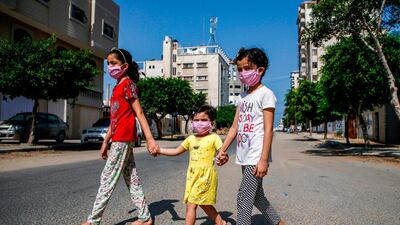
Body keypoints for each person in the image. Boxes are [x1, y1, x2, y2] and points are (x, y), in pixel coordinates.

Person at [81, 48, 158, 225]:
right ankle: (145, 217)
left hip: (124, 138)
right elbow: (114, 120)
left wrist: (150, 139)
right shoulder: (117, 88)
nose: (110, 67)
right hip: (118, 138)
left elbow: (139, 112)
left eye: (113, 63)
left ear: (124, 66)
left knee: (107, 178)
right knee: (131, 177)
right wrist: (105, 141)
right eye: (108, 63)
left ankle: (93, 220)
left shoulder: (128, 85)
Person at [216, 48, 286, 225]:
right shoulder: (243, 96)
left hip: (256, 156)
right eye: (239, 69)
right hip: (244, 155)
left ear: (260, 70)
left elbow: (269, 129)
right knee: (258, 197)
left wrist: (263, 160)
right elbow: (234, 127)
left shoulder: (266, 94)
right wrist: (222, 150)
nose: (242, 73)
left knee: (244, 198)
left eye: (247, 68)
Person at [155, 105, 228, 225]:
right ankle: (220, 222)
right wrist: (159, 150)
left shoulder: (214, 138)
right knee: (203, 203)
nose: (200, 123)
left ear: (211, 122)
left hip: (205, 177)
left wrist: (223, 158)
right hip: (192, 176)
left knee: (191, 204)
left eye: (204, 120)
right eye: (196, 120)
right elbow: (176, 151)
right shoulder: (190, 139)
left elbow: (222, 153)